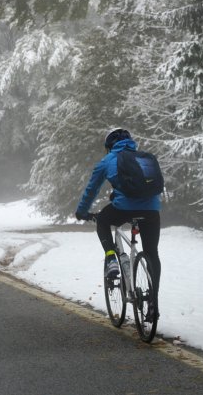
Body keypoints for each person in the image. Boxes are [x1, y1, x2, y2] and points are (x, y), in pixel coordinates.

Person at [75, 127, 161, 317]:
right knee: (152, 253)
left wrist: (82, 212)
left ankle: (111, 258)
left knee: (103, 221)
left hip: (123, 209)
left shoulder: (107, 161)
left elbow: (92, 189)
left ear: (109, 146)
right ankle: (153, 304)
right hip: (152, 211)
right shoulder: (144, 158)